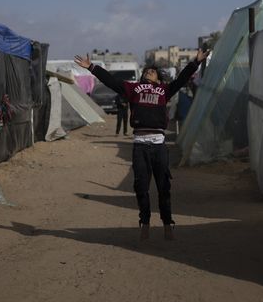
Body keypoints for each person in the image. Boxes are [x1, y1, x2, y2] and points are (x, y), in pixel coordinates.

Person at [74, 50, 209, 241]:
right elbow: (111, 81)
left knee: (163, 187)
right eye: (146, 71)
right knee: (140, 187)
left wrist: (195, 62)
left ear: (159, 80)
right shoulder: (132, 89)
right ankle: (144, 222)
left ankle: (167, 222)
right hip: (140, 145)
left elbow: (181, 79)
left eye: (152, 72)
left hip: (159, 144)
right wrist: (92, 68)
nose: (148, 73)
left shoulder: (164, 90)